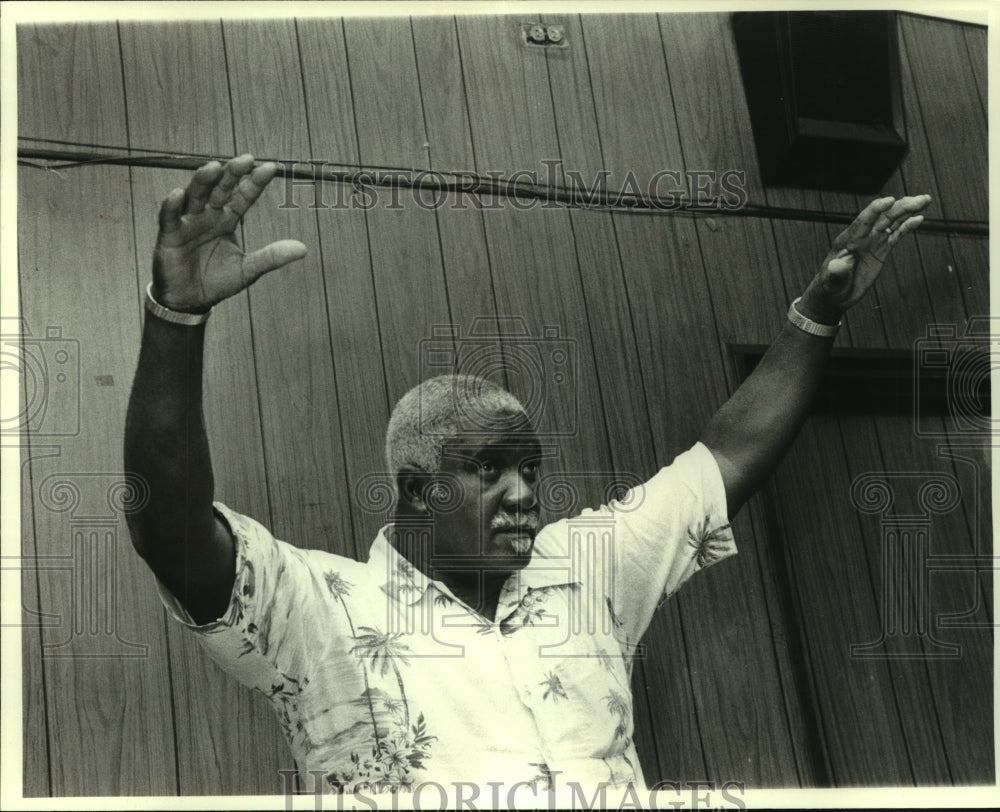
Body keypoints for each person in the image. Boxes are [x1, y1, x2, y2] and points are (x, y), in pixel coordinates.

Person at [124, 154, 930, 797]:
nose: (526, 495)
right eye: (490, 471)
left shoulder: (584, 569)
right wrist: (177, 315)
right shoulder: (322, 612)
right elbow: (168, 523)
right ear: (418, 490)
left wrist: (816, 315)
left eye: (532, 471)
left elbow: (723, 460)